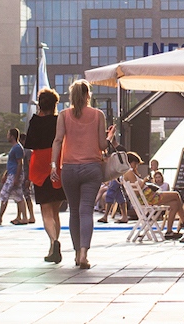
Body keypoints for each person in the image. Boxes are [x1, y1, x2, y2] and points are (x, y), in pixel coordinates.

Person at [51, 79, 114, 269]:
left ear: (71, 96)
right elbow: (102, 146)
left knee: (74, 212)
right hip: (92, 168)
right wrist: (109, 137)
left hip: (69, 168)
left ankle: (77, 252)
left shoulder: (63, 115)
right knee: (86, 210)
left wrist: (54, 166)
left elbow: (58, 140)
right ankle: (84, 253)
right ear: (88, 95)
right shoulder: (98, 115)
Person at [24, 87, 68, 263]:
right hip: (56, 163)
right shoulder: (59, 121)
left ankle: (54, 243)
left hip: (40, 164)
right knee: (55, 211)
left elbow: (30, 145)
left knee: (45, 211)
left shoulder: (34, 122)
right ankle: (54, 245)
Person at [123, 152, 184, 238]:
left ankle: (169, 231)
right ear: (131, 162)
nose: (136, 166)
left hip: (148, 197)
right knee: (176, 194)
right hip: (149, 198)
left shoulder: (129, 173)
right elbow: (137, 191)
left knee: (175, 204)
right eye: (135, 164)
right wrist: (144, 181)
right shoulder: (129, 173)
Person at [0, 128, 27, 225]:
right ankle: (23, 217)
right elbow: (12, 163)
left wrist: (16, 177)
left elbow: (19, 163)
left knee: (4, 195)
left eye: (8, 134)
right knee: (18, 196)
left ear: (12, 136)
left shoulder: (18, 148)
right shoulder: (14, 147)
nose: (7, 136)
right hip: (12, 174)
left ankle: (0, 218)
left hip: (14, 175)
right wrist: (6, 174)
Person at [19, 133, 36, 224]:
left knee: (26, 196)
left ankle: (31, 216)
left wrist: (29, 179)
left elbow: (30, 165)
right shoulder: (23, 150)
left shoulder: (27, 151)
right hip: (23, 176)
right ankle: (22, 216)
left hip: (25, 176)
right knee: (21, 197)